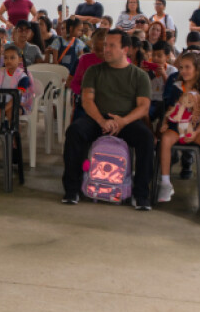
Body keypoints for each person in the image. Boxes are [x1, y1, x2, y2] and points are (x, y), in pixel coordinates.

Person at [61, 29, 155, 210]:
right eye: (105, 45)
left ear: (125, 49)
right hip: (98, 118)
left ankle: (140, 194)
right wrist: (102, 121)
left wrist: (123, 121)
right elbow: (87, 101)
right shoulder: (93, 71)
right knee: (75, 131)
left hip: (126, 120)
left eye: (112, 45)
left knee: (146, 138)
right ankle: (72, 189)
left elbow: (143, 107)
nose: (106, 49)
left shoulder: (139, 75)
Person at [157, 51, 200, 203]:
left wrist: (196, 132)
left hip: (196, 128)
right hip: (175, 127)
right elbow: (171, 109)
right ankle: (165, 183)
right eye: (181, 67)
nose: (183, 71)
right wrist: (165, 123)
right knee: (165, 140)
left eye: (187, 67)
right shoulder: (176, 86)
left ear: (198, 69)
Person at [0, 45, 35, 165]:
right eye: (6, 58)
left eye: (12, 58)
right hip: (0, 102)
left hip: (17, 104)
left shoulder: (22, 77)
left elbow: (17, 96)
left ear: (19, 60)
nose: (8, 61)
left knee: (12, 114)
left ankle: (15, 145)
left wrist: (4, 109)